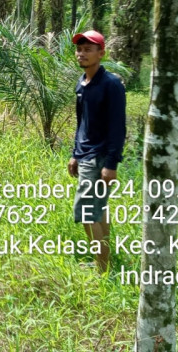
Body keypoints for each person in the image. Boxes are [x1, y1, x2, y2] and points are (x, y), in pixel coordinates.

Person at [67, 29, 126, 274]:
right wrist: (74, 154)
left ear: (101, 53)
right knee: (98, 210)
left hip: (99, 157)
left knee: (86, 212)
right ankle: (104, 263)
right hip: (86, 155)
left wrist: (111, 164)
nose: (82, 54)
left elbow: (118, 127)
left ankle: (102, 270)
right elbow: (82, 123)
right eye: (79, 49)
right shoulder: (82, 83)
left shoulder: (111, 84)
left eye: (88, 49)